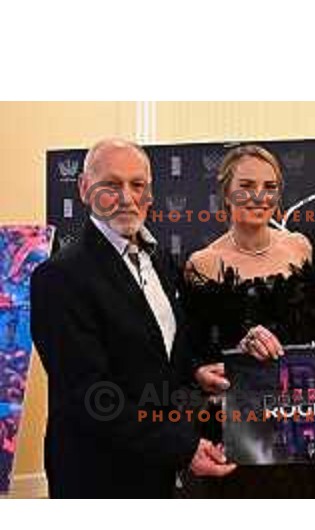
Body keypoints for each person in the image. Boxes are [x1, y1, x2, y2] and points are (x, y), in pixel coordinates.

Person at [30, 138, 235, 499]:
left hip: (158, 472)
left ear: (151, 193)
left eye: (137, 185)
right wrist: (183, 448)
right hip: (99, 476)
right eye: (111, 184)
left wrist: (193, 374)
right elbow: (91, 396)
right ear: (84, 189)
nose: (127, 197)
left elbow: (155, 355)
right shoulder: (59, 277)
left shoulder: (159, 261)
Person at [182, 144, 315, 498]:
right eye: (247, 186)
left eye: (270, 187)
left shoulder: (300, 246)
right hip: (238, 430)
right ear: (226, 192)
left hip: (303, 423)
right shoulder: (203, 264)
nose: (259, 196)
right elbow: (191, 353)